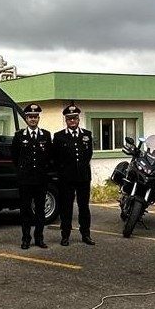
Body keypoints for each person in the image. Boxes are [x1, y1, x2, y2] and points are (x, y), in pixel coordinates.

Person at [53, 103, 94, 246]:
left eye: (75, 118)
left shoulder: (87, 135)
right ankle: (65, 235)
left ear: (78, 119)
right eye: (69, 119)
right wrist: (62, 173)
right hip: (66, 179)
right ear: (66, 120)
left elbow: (88, 155)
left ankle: (86, 234)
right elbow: (56, 158)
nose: (72, 121)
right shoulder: (59, 137)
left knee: (84, 207)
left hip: (83, 177)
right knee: (66, 208)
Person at [12, 104, 52, 249]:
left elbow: (49, 157)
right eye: (30, 117)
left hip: (41, 180)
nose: (33, 119)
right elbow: (15, 157)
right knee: (25, 210)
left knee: (40, 211)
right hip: (25, 180)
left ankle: (39, 238)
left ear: (38, 118)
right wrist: (22, 172)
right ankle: (26, 238)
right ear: (26, 118)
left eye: (35, 117)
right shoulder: (19, 135)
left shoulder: (46, 135)